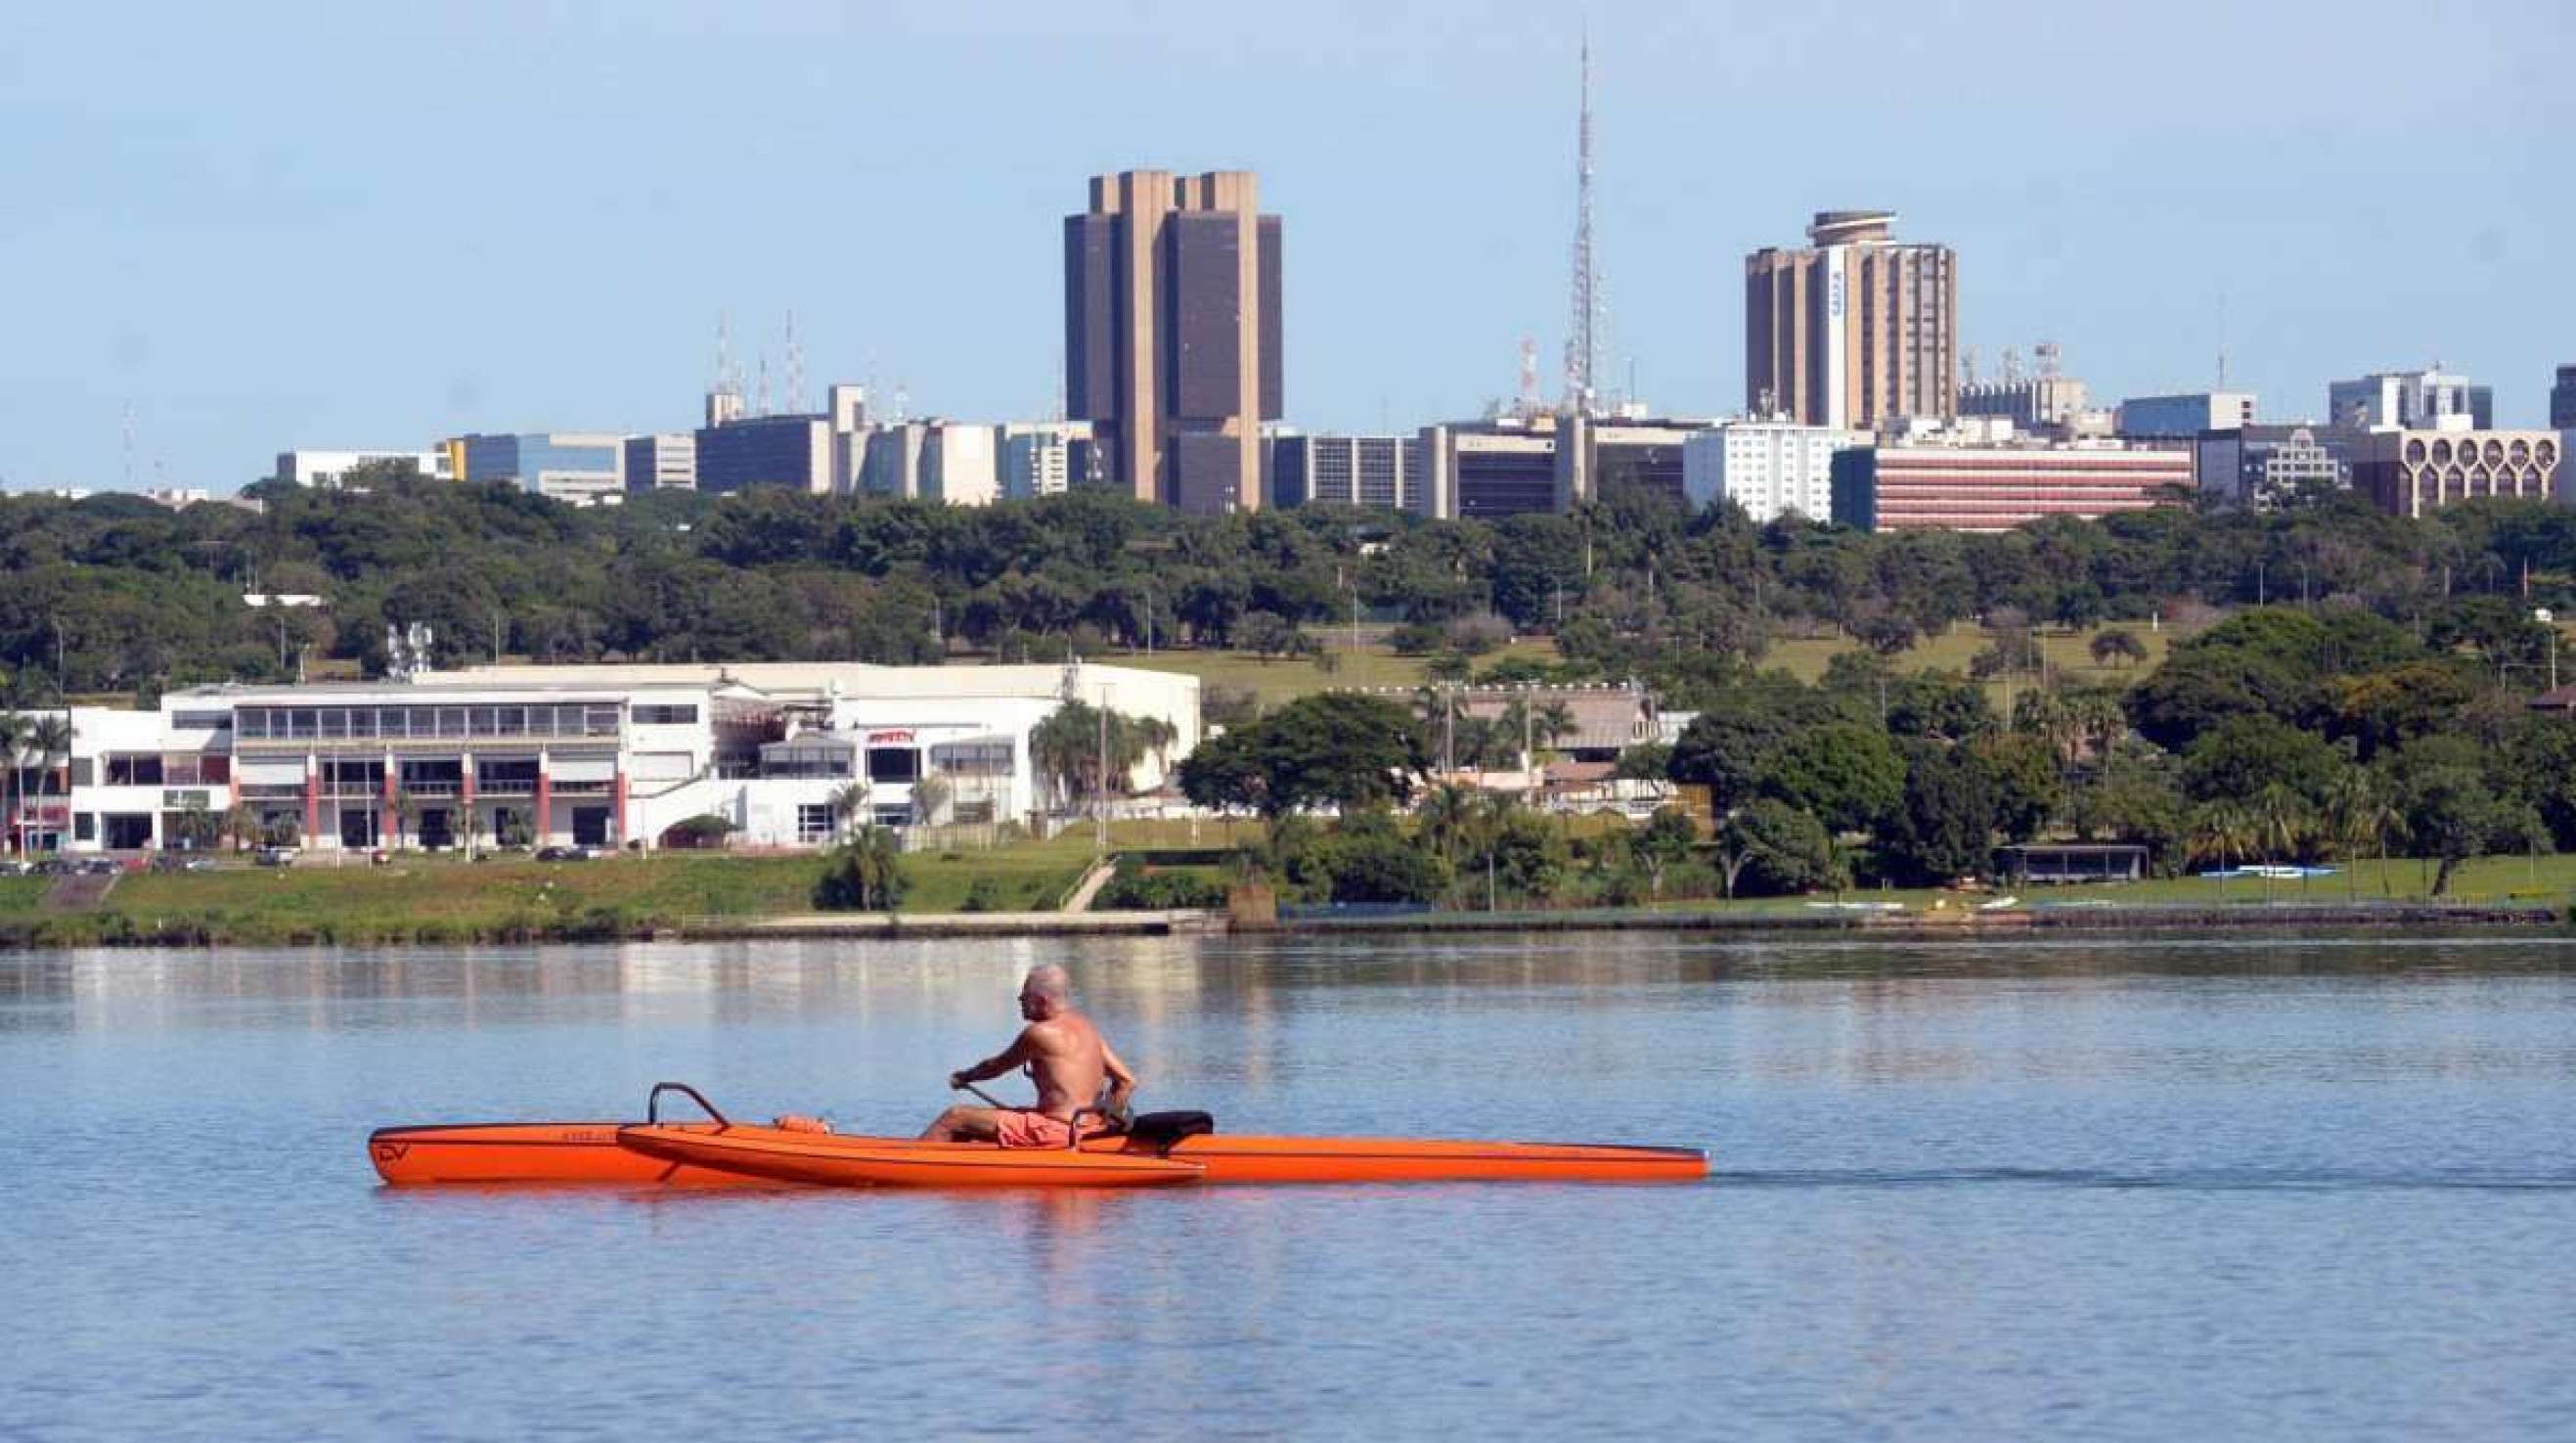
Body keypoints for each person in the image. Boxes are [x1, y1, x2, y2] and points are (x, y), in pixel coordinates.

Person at [920, 964, 1136, 1148]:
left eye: (1024, 996)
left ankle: (910, 1162)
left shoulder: (1039, 1033)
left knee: (955, 1117)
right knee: (979, 1123)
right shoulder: (1087, 1027)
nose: (1019, 1000)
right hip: (1088, 1129)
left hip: (1056, 1131)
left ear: (1041, 1000)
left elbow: (996, 1066)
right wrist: (1106, 1122)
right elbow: (1126, 1081)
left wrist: (965, 1077)